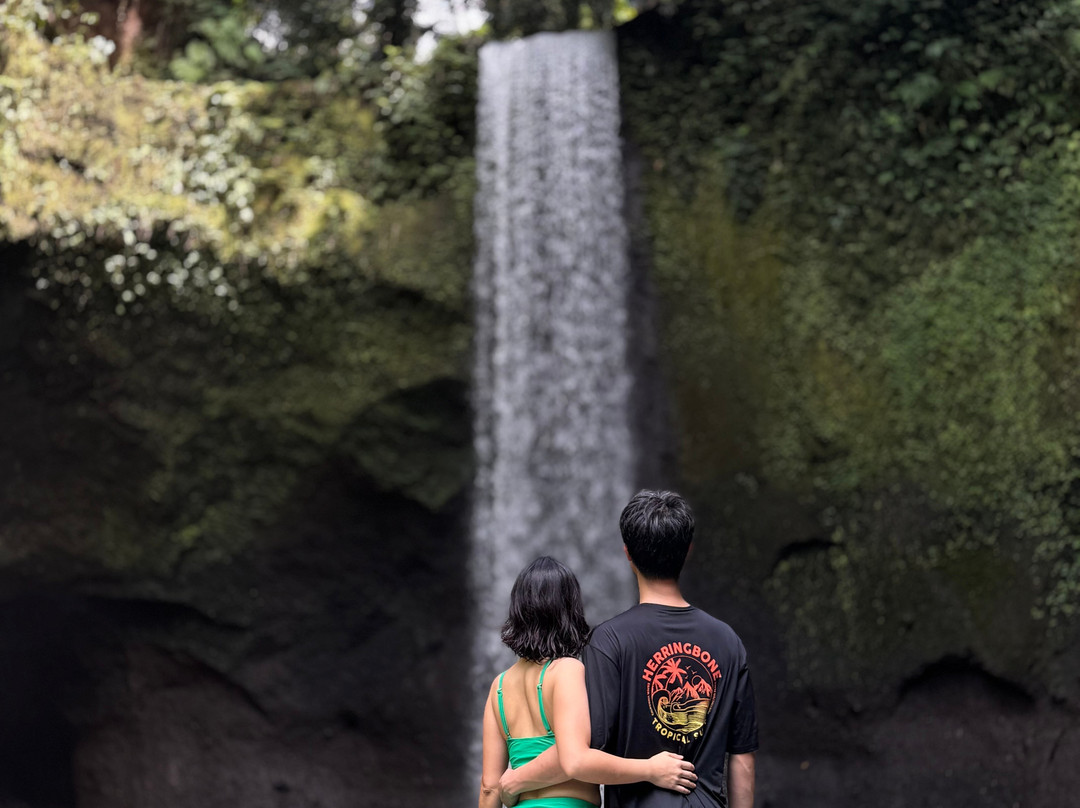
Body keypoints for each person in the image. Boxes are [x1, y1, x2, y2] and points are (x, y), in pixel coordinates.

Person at [500, 490, 758, 808]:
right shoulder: (728, 641)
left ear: (627, 554)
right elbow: (742, 758)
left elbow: (579, 754)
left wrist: (513, 780)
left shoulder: (610, 640)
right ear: (688, 551)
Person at [480, 556, 698, 808]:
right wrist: (650, 769)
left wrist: (515, 780)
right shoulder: (567, 670)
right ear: (570, 610)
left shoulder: (498, 686)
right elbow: (575, 759)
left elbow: (489, 787)